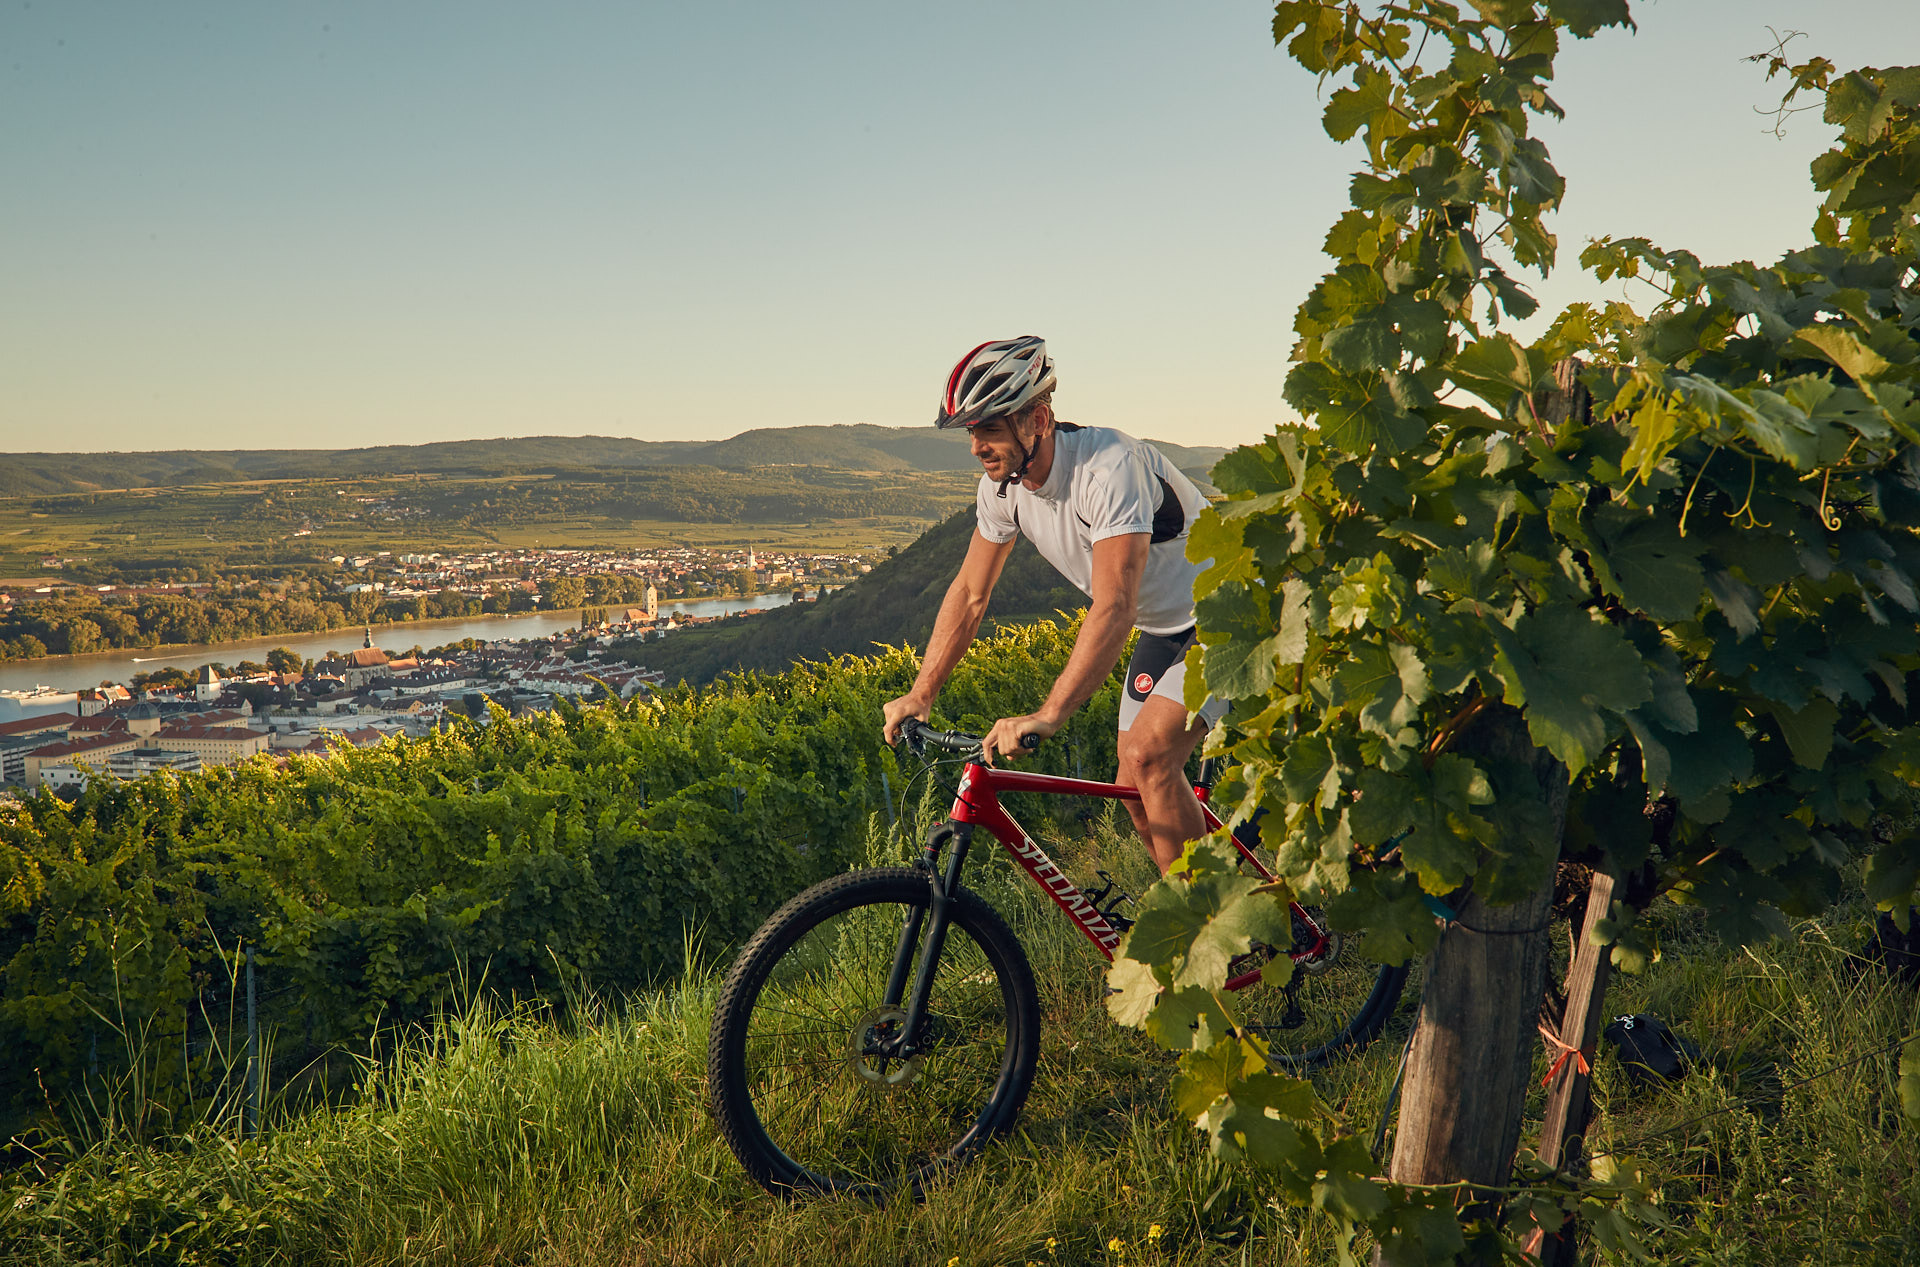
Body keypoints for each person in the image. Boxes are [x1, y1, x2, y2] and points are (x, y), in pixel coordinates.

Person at [881, 336, 1226, 873]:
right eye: (972, 432)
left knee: (1151, 757)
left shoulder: (1110, 468)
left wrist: (1048, 715)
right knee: (1136, 799)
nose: (976, 447)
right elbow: (971, 595)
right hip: (1167, 632)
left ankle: (1216, 939)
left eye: (990, 428)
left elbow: (1114, 605)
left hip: (1230, 612)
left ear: (1038, 420)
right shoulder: (1001, 491)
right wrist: (921, 693)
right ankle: (1212, 927)